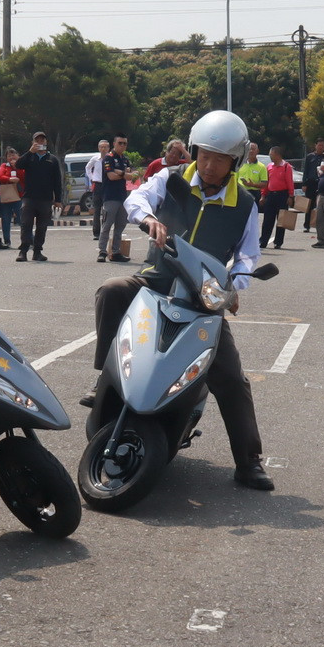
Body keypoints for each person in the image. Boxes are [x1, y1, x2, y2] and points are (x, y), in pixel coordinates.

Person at [82, 109, 273, 492]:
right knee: (112, 289)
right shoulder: (171, 179)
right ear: (194, 151)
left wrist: (234, 284)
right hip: (156, 280)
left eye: (219, 159)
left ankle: (249, 461)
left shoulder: (245, 204)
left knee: (231, 377)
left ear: (234, 162)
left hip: (203, 297)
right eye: (204, 155)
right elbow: (137, 198)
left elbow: (248, 255)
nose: (209, 165)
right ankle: (106, 375)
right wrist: (149, 220)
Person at [15, 130, 63, 262]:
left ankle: (37, 251)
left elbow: (57, 181)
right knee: (26, 224)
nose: (40, 142)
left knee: (42, 227)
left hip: (45, 199)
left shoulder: (52, 159)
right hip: (29, 197)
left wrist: (58, 200)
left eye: (42, 140)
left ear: (46, 142)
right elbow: (18, 165)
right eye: (37, 140)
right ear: (33, 142)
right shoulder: (29, 157)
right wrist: (30, 152)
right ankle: (23, 251)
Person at [97, 134, 132, 262]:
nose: (122, 146)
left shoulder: (125, 159)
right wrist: (123, 173)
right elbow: (111, 176)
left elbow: (130, 176)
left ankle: (116, 252)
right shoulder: (109, 158)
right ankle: (102, 251)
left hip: (122, 196)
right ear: (114, 144)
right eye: (120, 143)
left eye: (124, 143)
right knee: (107, 225)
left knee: (120, 226)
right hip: (110, 196)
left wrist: (119, 172)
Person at [259, 146, 294, 249]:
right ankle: (263, 241)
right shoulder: (269, 166)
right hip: (271, 195)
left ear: (277, 155)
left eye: (271, 154)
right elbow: (266, 182)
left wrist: (291, 196)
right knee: (267, 219)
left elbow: (290, 182)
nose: (270, 156)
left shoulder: (286, 166)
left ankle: (278, 242)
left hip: (282, 195)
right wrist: (263, 195)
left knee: (281, 220)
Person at [0, 147, 24, 249]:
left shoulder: (22, 166)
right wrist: (9, 179)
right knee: (6, 219)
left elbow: (25, 176)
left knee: (22, 219)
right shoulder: (4, 166)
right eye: (9, 156)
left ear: (18, 156)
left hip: (19, 196)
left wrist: (16, 167)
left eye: (13, 155)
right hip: (6, 196)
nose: (11, 157)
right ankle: (7, 241)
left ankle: (29, 240)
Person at [85, 139, 109, 240]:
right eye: (101, 147)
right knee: (97, 209)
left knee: (106, 209)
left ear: (108, 148)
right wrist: (92, 178)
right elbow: (87, 168)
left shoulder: (110, 158)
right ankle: (96, 233)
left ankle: (105, 232)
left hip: (107, 185)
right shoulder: (95, 158)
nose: (103, 149)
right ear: (99, 148)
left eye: (105, 147)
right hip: (97, 185)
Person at [301, 138, 324, 233]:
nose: (321, 147)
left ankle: (319, 225)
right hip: (311, 183)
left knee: (320, 205)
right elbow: (305, 170)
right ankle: (306, 225)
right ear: (315, 146)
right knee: (309, 205)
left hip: (321, 183)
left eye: (322, 145)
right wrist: (304, 184)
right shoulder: (310, 156)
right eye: (319, 145)